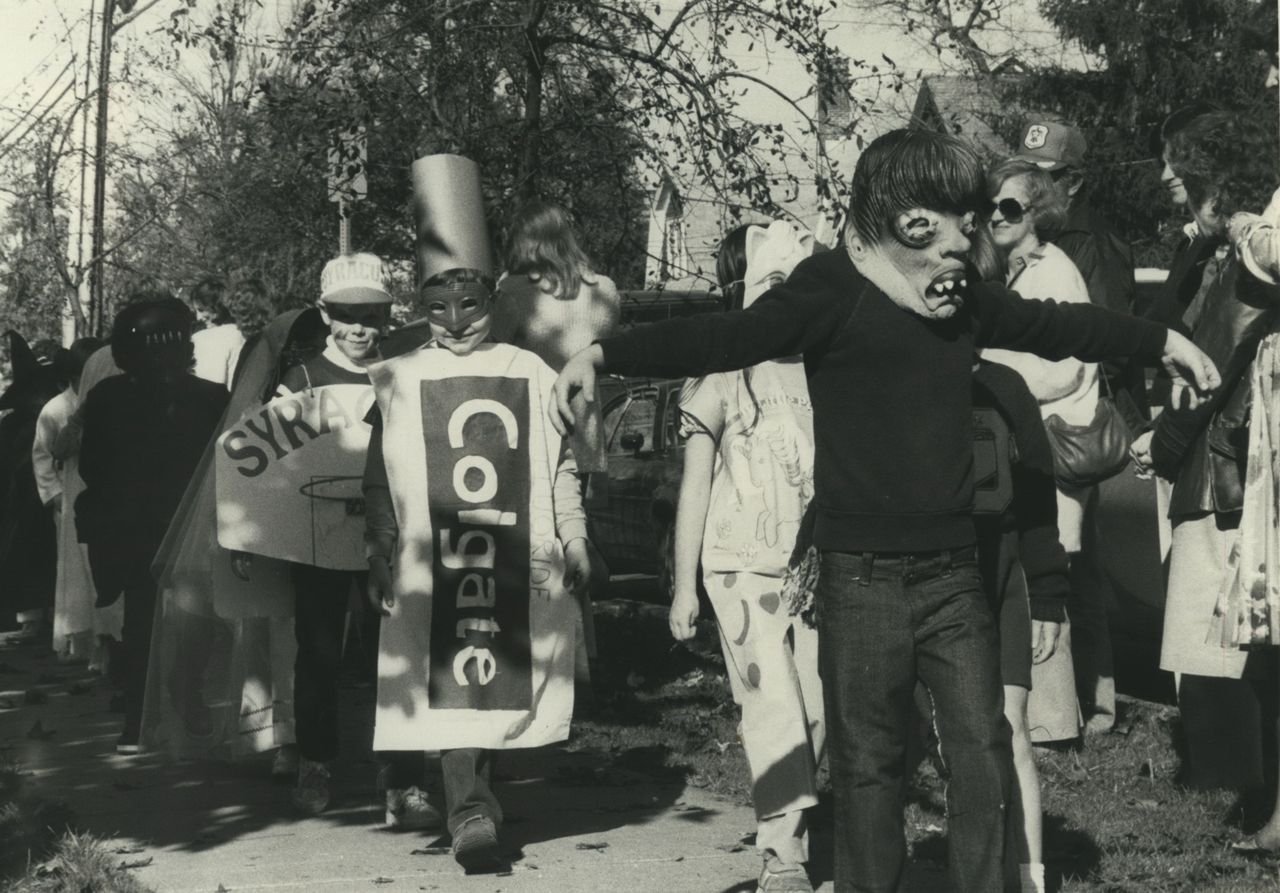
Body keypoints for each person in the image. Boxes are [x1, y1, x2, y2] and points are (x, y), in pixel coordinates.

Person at [549, 128, 1221, 893]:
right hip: (860, 581)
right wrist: (605, 353)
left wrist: (1160, 339)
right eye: (948, 219)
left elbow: (1055, 325)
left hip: (954, 580)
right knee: (870, 767)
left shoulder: (957, 299)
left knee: (981, 752)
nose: (965, 238)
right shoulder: (831, 289)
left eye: (970, 220)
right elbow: (726, 334)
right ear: (900, 217)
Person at [1130, 109, 1280, 823]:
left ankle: (1266, 802)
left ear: (1216, 175)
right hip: (1233, 453)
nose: (1166, 176)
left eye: (1179, 164)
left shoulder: (1251, 248)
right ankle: (1262, 799)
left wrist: (1163, 442)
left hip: (1239, 465)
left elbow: (1215, 353)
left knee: (1262, 645)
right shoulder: (1216, 245)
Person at [669, 220, 823, 893]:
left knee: (820, 708)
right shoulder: (723, 375)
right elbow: (696, 486)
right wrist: (683, 585)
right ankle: (783, 854)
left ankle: (805, 825)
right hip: (739, 569)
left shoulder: (829, 369)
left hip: (817, 569)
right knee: (771, 707)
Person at [235, 253, 405, 816]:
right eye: (346, 315)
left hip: (387, 537)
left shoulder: (401, 374)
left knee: (393, 653)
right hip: (318, 537)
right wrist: (249, 533)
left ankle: (399, 770)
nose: (359, 328)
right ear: (325, 314)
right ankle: (316, 760)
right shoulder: (302, 379)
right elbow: (264, 468)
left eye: (371, 316)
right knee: (319, 654)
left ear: (387, 315)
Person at [1014, 118, 1139, 736]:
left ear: (1074, 180)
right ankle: (1092, 699)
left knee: (1068, 562)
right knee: (1070, 563)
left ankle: (1092, 702)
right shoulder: (1034, 242)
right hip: (1057, 419)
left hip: (1080, 425)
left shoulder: (1089, 245)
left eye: (1045, 176)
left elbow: (1109, 341)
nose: (1032, 188)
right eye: (1026, 174)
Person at [77, 296, 229, 753]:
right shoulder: (110, 398)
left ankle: (175, 697)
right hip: (139, 527)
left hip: (183, 526)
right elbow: (94, 466)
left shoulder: (208, 398)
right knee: (150, 622)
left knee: (190, 619)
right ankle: (144, 711)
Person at [980, 158, 1095, 744]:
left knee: (1042, 574)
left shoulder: (1054, 271)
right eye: (991, 205)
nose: (997, 216)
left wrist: (990, 372)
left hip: (1051, 440)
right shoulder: (1009, 272)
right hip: (1028, 441)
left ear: (1037, 212)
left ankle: (1050, 723)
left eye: (1011, 207)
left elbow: (1063, 366)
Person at [970, 357, 1071, 893]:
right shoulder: (892, 369)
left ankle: (1030, 878)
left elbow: (1037, 498)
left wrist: (1048, 595)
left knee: (1012, 728)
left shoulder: (1004, 386)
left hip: (1000, 576)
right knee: (913, 738)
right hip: (917, 583)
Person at [494, 200, 621, 474]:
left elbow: (492, 354)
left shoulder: (513, 293)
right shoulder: (605, 290)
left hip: (533, 438)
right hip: (586, 435)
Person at [32, 337, 103, 661]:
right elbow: (43, 456)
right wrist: (56, 495)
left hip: (102, 494)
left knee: (101, 568)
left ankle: (106, 643)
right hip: (70, 496)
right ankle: (82, 642)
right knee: (76, 571)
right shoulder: (56, 409)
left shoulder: (110, 400)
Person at [0, 334, 68, 639]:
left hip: (31, 503)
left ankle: (37, 616)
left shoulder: (19, 425)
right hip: (31, 502)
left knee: (35, 556)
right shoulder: (17, 426)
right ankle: (39, 615)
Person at [189, 276, 247, 388]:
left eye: (201, 310)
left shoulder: (203, 338)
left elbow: (209, 384)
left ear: (215, 307)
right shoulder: (243, 333)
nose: (198, 317)